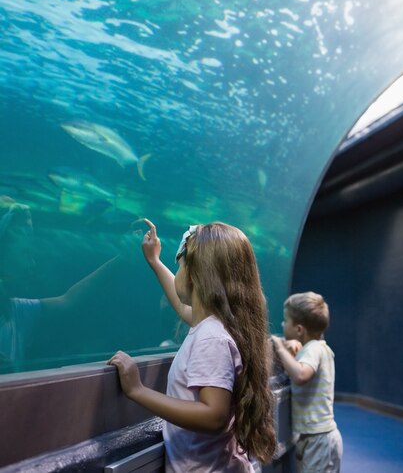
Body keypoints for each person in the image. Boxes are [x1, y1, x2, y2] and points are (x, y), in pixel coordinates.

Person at [108, 218, 276, 472]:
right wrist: (155, 261)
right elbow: (181, 305)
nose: (178, 272)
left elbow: (213, 416)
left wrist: (137, 390)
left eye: (180, 265)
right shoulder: (217, 325)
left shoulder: (211, 337)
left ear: (197, 275)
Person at [0, 199, 141, 372]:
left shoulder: (15, 312)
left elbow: (68, 301)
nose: (32, 264)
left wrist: (121, 259)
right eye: (25, 253)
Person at [272, 292, 343, 473]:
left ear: (299, 330)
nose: (282, 324)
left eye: (286, 320)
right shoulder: (317, 348)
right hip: (317, 438)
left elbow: (301, 375)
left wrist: (280, 348)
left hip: (319, 439)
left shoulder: (314, 349)